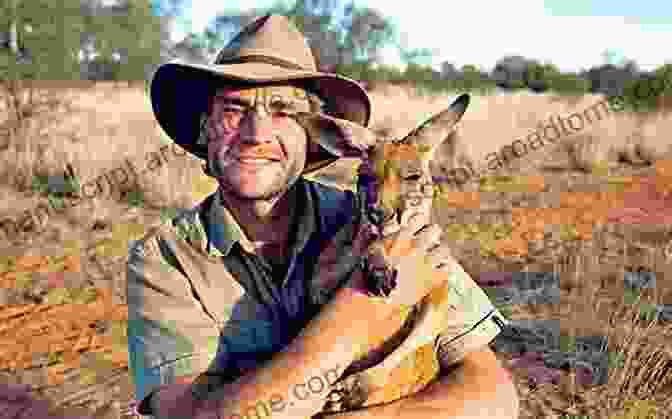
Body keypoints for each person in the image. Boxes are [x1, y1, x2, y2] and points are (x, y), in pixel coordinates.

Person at [126, 13, 519, 419]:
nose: (256, 133)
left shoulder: (377, 220)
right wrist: (360, 307)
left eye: (282, 110)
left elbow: (492, 394)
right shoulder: (164, 260)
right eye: (233, 108)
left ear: (314, 135)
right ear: (205, 128)